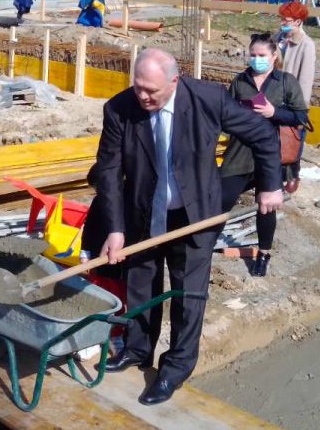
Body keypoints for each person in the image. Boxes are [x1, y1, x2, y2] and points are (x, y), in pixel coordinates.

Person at [92, 48, 284, 405]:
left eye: (152, 90)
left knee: (187, 294)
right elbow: (107, 171)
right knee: (140, 283)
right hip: (144, 212)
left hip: (196, 214)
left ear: (174, 81)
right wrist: (115, 229)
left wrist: (270, 185)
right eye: (138, 88)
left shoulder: (208, 99)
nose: (143, 96)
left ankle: (175, 368)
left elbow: (262, 134)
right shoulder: (119, 109)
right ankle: (136, 348)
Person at [222, 34, 310, 278]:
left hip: (270, 156)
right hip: (239, 153)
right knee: (221, 199)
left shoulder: (285, 82)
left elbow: (301, 117)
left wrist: (274, 112)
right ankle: (204, 246)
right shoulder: (240, 82)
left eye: (262, 55)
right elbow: (225, 115)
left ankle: (263, 254)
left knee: (266, 206)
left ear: (273, 56)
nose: (256, 59)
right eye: (253, 55)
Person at [278, 0, 316, 194]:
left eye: (288, 20)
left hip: (293, 101)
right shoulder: (280, 40)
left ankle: (293, 175)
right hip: (275, 98)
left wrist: (300, 109)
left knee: (293, 139)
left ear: (299, 22)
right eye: (282, 19)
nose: (283, 23)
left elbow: (305, 80)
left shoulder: (306, 46)